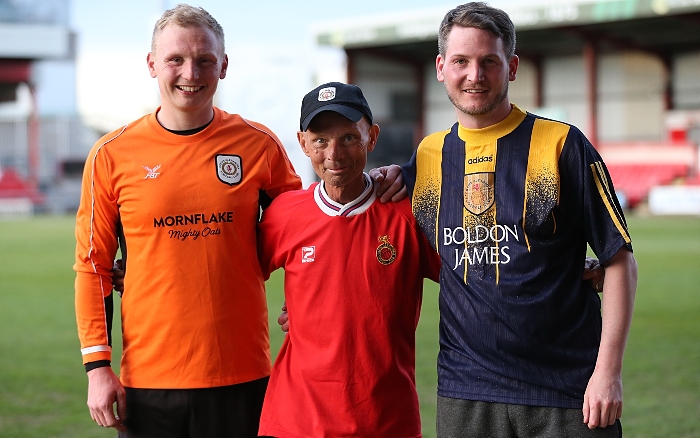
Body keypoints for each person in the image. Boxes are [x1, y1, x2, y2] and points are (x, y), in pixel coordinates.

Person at [373, 2, 637, 437]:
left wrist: (607, 373)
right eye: (461, 61)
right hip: (466, 391)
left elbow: (618, 257)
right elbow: (370, 231)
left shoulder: (562, 145)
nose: (474, 75)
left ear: (511, 67)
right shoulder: (426, 157)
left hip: (566, 390)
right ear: (441, 67)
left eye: (489, 62)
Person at [73, 4, 301, 437]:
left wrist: (302, 299)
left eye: (205, 60)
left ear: (224, 66)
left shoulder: (258, 146)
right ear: (152, 64)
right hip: (149, 380)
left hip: (241, 372)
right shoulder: (111, 155)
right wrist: (97, 368)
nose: (190, 73)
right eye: (176, 59)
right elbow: (92, 266)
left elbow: (303, 233)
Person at [255, 82, 441, 437]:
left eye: (348, 138)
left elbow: (474, 278)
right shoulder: (284, 215)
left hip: (386, 421)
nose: (334, 154)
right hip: (294, 421)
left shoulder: (409, 214)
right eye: (321, 140)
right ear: (303, 143)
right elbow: (233, 277)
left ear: (371, 137)